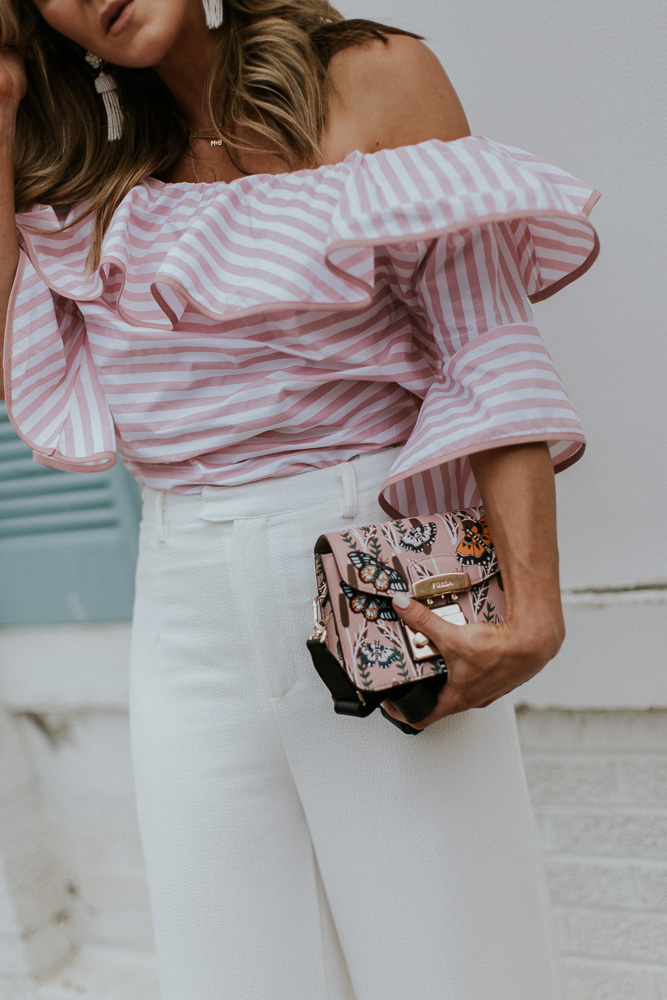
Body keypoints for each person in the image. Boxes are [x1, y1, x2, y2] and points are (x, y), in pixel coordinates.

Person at [0, 2, 601, 998]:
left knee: (455, 960)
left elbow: (483, 342)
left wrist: (534, 600)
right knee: (231, 970)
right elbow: (30, 378)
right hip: (184, 601)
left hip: (377, 560)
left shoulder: (373, 77)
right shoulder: (78, 175)